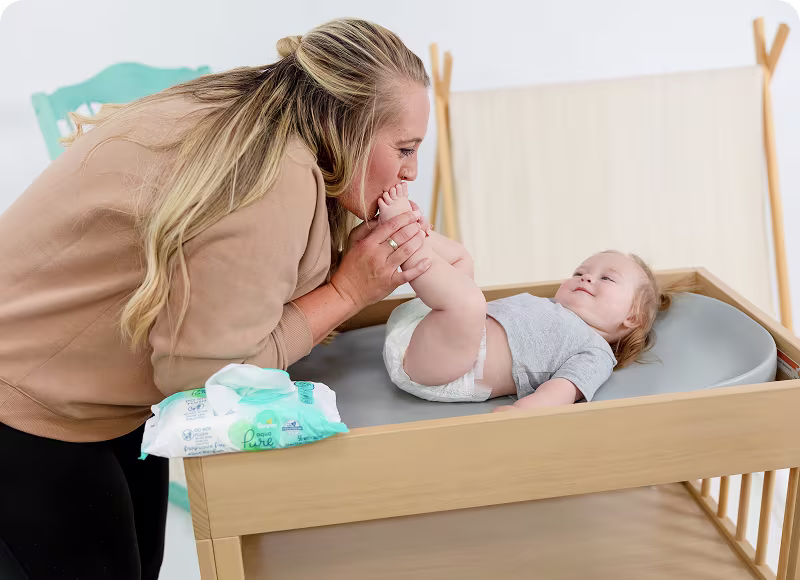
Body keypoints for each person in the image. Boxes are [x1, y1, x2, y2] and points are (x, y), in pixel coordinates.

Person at [0, 19, 433, 579]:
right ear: (346, 124)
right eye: (404, 148)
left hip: (96, 396)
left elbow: (239, 289)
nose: (412, 171)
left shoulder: (258, 112)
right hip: (25, 402)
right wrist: (350, 290)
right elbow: (208, 380)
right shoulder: (267, 176)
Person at [380, 184, 675, 409]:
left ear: (631, 317)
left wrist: (524, 411)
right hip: (427, 331)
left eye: (607, 278)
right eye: (579, 271)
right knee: (463, 261)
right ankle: (413, 231)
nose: (585, 277)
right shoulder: (550, 307)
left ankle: (401, 237)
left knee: (469, 302)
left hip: (444, 369)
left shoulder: (596, 352)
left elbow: (563, 389)